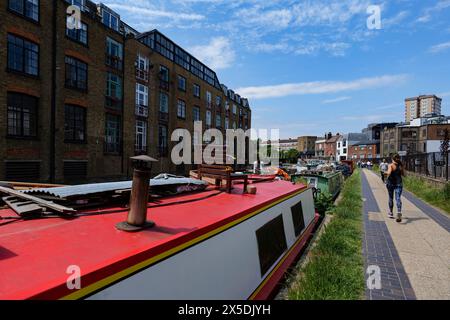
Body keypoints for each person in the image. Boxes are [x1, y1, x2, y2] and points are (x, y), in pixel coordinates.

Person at [385, 154, 405, 222]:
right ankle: (399, 211)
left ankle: (391, 213)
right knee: (398, 198)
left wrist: (385, 173)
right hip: (399, 183)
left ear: (392, 159)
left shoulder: (390, 165)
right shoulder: (400, 165)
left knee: (391, 198)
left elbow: (389, 173)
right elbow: (403, 175)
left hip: (390, 183)